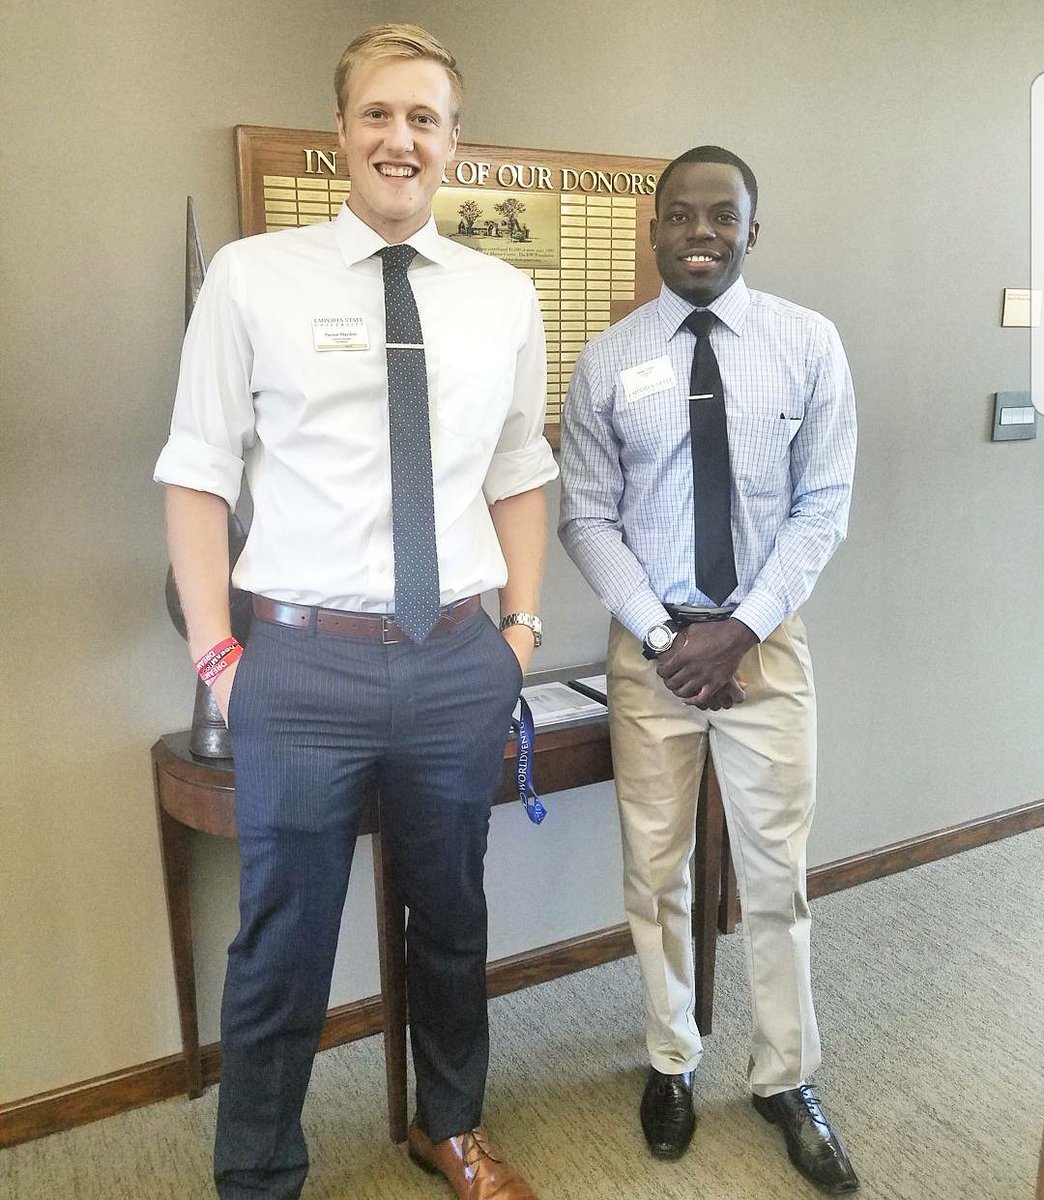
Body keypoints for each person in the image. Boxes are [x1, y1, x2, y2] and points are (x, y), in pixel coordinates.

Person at [155, 24, 556, 1200]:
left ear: (452, 143)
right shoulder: (250, 277)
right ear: (341, 133)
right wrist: (217, 653)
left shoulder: (501, 295)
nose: (401, 138)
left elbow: (520, 471)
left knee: (453, 918)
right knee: (281, 940)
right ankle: (258, 1173)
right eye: (379, 114)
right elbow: (196, 473)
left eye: (424, 118)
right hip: (299, 666)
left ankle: (453, 1127)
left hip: (455, 661)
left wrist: (519, 633)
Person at [559, 145, 859, 1194]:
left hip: (765, 649)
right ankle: (672, 1060)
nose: (700, 231)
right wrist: (662, 638)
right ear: (653, 231)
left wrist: (740, 629)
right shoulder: (607, 362)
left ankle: (786, 1076)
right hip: (652, 659)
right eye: (680, 214)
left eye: (721, 215)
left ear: (751, 230)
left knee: (777, 877)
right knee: (657, 872)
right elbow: (586, 518)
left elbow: (825, 506)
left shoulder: (808, 344)